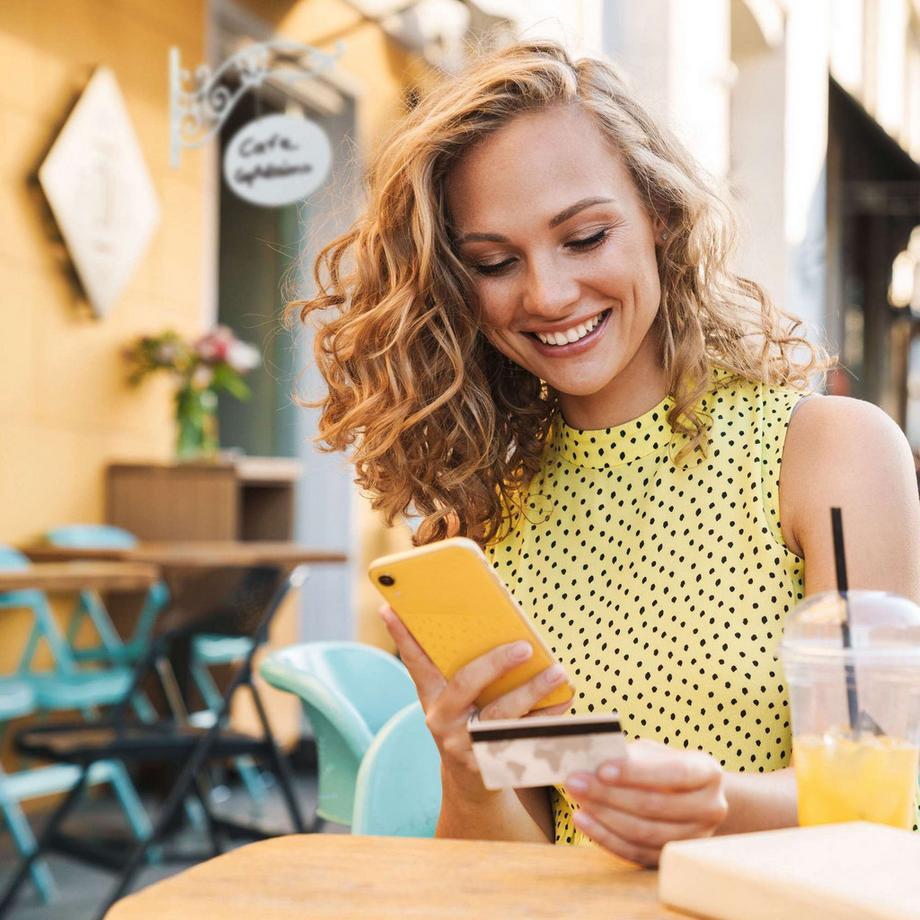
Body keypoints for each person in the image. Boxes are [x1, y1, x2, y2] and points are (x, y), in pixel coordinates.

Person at [291, 40, 920, 862]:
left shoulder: (830, 453)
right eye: (494, 261)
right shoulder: (475, 527)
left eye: (584, 237)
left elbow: (882, 803)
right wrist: (466, 769)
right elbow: (504, 874)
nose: (547, 295)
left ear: (658, 214)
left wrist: (712, 808)